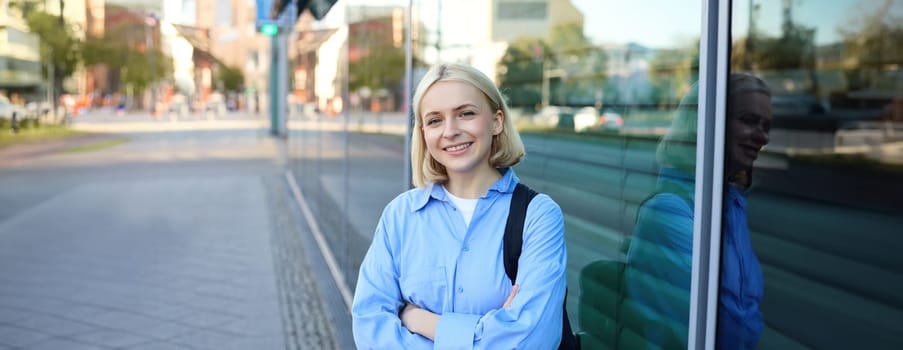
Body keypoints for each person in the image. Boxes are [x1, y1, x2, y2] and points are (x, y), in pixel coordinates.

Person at [352, 63, 568, 349]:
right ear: (424, 134)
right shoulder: (400, 216)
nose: (450, 131)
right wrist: (492, 328)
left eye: (466, 114)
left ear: (496, 121)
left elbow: (532, 340)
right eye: (434, 120)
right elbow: (370, 326)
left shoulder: (538, 216)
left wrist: (421, 321)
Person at [625, 73, 770, 349]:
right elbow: (725, 325)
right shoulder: (669, 211)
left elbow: (746, 307)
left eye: (766, 125)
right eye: (749, 121)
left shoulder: (730, 203)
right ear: (703, 124)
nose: (763, 137)